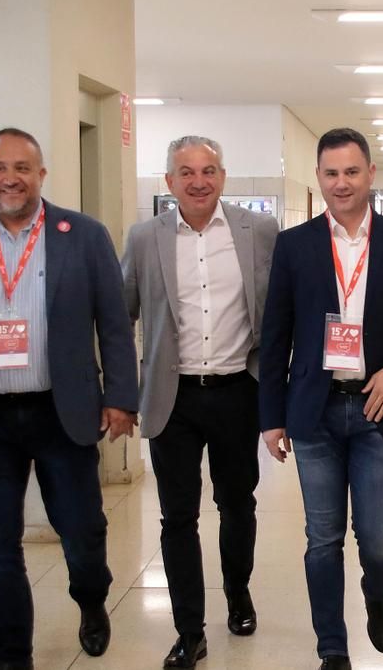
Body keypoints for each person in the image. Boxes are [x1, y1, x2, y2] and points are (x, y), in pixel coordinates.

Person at [0, 128, 138, 670]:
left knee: (82, 531)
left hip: (61, 412)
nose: (10, 178)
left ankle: (90, 600)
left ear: (42, 174)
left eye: (22, 167)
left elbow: (113, 323)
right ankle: (11, 651)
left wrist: (121, 397)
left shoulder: (83, 235)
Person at [258, 128, 383, 670]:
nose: (342, 183)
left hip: (377, 410)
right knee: (323, 538)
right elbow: (276, 334)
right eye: (332, 173)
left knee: (379, 539)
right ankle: (332, 647)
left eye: (352, 172)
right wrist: (271, 417)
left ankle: (377, 591)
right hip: (313, 410)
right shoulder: (295, 246)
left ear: (370, 175)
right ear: (319, 178)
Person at [121, 136, 278, 668]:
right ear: (169, 182)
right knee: (177, 517)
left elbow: (279, 313)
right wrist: (119, 392)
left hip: (239, 391)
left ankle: (237, 593)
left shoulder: (258, 232)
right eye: (185, 172)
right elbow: (123, 316)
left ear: (223, 176)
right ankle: (189, 630)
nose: (198, 181)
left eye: (208, 170)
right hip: (173, 397)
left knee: (238, 505)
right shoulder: (144, 238)